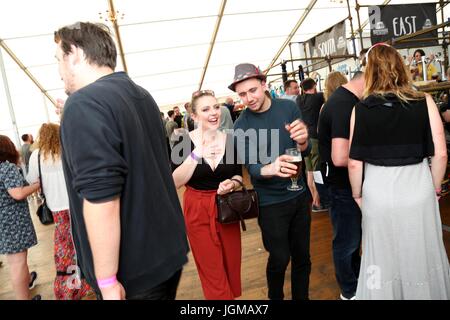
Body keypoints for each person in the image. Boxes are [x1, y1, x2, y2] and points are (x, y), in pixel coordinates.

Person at [54, 22, 189, 300]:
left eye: (58, 60)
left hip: (131, 272)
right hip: (165, 252)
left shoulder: (84, 104)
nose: (59, 72)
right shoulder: (140, 95)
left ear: (75, 54)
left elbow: (101, 198)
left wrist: (106, 281)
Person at [348, 43, 450, 299]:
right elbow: (441, 153)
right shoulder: (423, 101)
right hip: (417, 186)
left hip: (378, 190)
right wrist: (434, 187)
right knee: (421, 251)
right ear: (400, 67)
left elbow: (354, 162)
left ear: (369, 72)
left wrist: (357, 194)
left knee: (381, 255)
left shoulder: (360, 109)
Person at [231, 63, 312, 300]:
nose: (248, 98)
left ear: (264, 85)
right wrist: (272, 168)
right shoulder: (241, 126)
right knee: (279, 258)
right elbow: (253, 169)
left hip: (299, 196)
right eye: (242, 94)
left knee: (302, 258)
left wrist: (304, 140)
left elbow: (303, 151)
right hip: (270, 203)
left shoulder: (288, 107)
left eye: (252, 90)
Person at [172, 89, 243, 300]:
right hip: (197, 210)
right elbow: (175, 181)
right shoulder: (183, 141)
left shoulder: (230, 140)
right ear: (193, 116)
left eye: (215, 107)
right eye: (205, 109)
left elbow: (239, 176)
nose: (213, 112)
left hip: (226, 207)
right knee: (211, 271)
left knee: (231, 266)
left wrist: (232, 183)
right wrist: (197, 153)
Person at [26, 123, 93, 300]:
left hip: (56, 209)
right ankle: (89, 282)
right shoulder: (68, 150)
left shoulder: (36, 156)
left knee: (64, 250)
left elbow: (32, 180)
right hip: (77, 205)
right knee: (84, 245)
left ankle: (69, 288)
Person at [317, 71, 365, 300]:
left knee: (351, 240)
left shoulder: (342, 100)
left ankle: (355, 284)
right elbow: (339, 157)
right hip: (341, 185)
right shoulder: (344, 105)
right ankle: (349, 291)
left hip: (342, 184)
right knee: (347, 242)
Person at [0, 135, 41, 300]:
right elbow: (17, 193)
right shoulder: (6, 168)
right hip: (14, 222)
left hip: (4, 222)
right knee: (18, 264)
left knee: (16, 263)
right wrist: (36, 186)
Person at [297, 78, 328, 212]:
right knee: (317, 170)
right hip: (314, 138)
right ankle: (317, 201)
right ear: (314, 86)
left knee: (309, 170)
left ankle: (314, 199)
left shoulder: (299, 99)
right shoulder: (318, 97)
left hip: (303, 139)